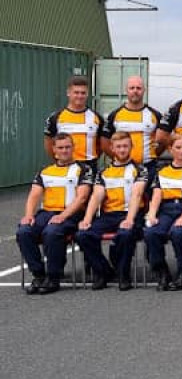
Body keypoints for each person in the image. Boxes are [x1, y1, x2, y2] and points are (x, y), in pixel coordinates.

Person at [17, 133, 94, 294]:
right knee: (24, 231)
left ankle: (53, 277)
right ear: (54, 150)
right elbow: (34, 195)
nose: (64, 150)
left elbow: (82, 198)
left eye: (67, 147)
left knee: (52, 232)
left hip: (72, 213)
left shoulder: (84, 169)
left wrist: (63, 216)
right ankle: (39, 275)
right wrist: (29, 215)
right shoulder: (45, 171)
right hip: (47, 212)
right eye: (60, 147)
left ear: (73, 148)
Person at [75, 132, 148, 291]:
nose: (122, 150)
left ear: (131, 147)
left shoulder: (140, 169)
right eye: (119, 147)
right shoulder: (103, 172)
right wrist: (87, 219)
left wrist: (129, 219)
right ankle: (103, 271)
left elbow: (137, 194)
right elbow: (96, 196)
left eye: (125, 146)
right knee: (83, 234)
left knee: (125, 233)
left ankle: (123, 274)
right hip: (109, 215)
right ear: (112, 149)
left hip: (132, 214)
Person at [144, 134, 182, 291]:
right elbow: (157, 195)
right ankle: (162, 272)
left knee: (178, 232)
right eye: (178, 147)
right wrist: (152, 214)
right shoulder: (162, 170)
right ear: (170, 149)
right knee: (151, 232)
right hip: (166, 209)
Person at [101, 76, 163, 173]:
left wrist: (153, 154)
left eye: (138, 88)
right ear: (126, 90)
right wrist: (118, 157)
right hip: (122, 167)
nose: (135, 91)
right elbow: (104, 142)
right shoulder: (115, 115)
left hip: (148, 167)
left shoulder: (155, 115)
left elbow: (164, 140)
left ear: (144, 90)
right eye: (132, 88)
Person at [44, 75, 105, 173]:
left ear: (87, 94)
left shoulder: (96, 117)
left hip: (89, 168)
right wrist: (59, 159)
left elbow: (102, 145)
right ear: (68, 93)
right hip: (65, 167)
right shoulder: (55, 118)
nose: (80, 96)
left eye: (83, 93)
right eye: (76, 92)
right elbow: (49, 144)